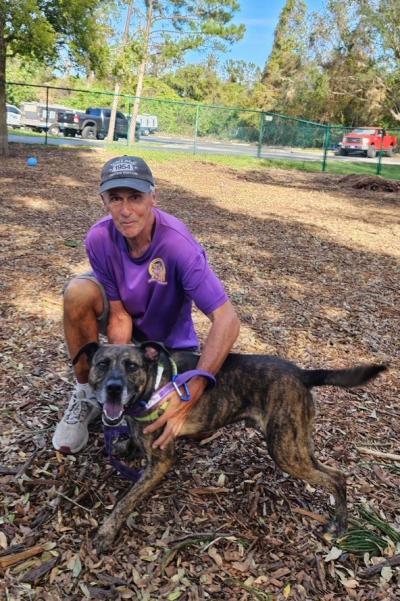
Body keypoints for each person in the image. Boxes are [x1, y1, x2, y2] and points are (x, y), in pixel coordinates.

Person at [52, 155, 240, 454]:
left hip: (171, 345)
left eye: (135, 198)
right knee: (78, 291)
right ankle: (88, 394)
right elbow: (118, 314)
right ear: (103, 201)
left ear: (153, 197)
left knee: (179, 428)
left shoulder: (178, 245)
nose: (125, 211)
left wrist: (194, 389)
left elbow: (227, 320)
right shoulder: (99, 238)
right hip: (129, 327)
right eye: (115, 199)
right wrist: (117, 377)